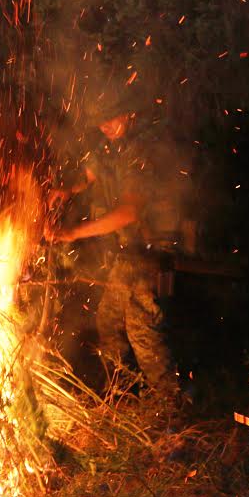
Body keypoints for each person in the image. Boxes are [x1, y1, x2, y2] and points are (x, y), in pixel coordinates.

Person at [44, 87, 180, 398]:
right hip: (129, 254)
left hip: (153, 253)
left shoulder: (143, 150)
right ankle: (120, 394)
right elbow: (90, 176)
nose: (103, 125)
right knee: (108, 323)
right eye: (100, 120)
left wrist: (73, 233)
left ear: (129, 114)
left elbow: (129, 212)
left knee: (142, 329)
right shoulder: (111, 144)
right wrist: (67, 189)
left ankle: (170, 404)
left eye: (110, 118)